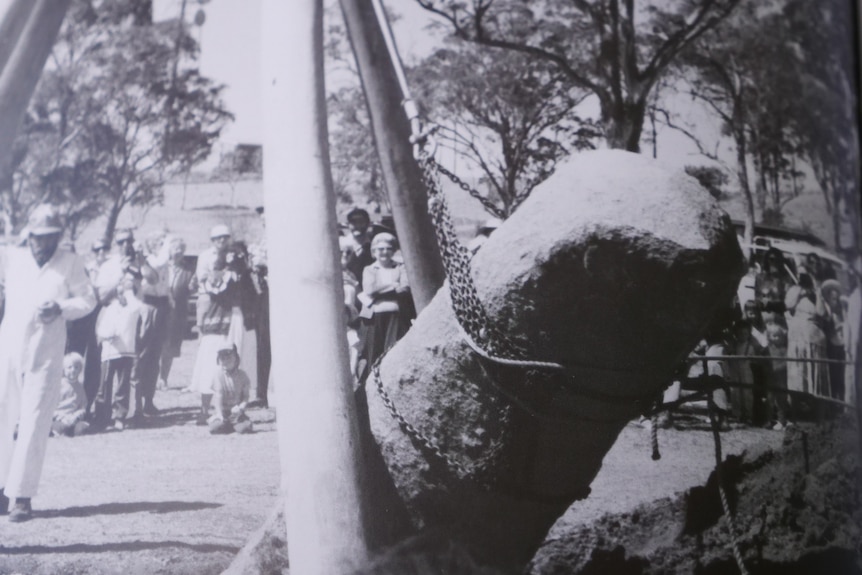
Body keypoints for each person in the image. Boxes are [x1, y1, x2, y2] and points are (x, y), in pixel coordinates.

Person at [0, 204, 96, 522]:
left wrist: (60, 307)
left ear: (58, 236)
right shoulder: (12, 258)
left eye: (50, 236)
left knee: (34, 423)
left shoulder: (69, 262)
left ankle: (22, 496)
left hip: (46, 355)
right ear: (29, 235)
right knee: (2, 419)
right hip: (9, 350)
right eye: (38, 236)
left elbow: (88, 299)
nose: (43, 243)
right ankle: (1, 488)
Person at [93, 267, 154, 431]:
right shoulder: (108, 308)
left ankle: (120, 416)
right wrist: (106, 335)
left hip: (126, 350)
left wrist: (131, 289)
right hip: (109, 352)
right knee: (104, 385)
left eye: (125, 291)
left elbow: (140, 307)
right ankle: (102, 417)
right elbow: (101, 329)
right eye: (119, 291)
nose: (122, 294)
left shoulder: (134, 306)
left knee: (122, 386)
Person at [357, 232, 414, 381]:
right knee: (374, 353)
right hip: (375, 319)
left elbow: (405, 288)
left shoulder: (400, 267)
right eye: (380, 249)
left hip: (396, 317)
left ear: (394, 250)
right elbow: (369, 289)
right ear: (374, 251)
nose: (384, 252)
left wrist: (380, 290)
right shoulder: (369, 269)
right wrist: (392, 286)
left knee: (395, 350)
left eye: (388, 248)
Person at [190, 252, 236, 424]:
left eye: (220, 267)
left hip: (227, 326)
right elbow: (216, 288)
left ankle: (226, 410)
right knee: (209, 370)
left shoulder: (232, 277)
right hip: (214, 326)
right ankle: (204, 411)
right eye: (216, 267)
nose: (217, 271)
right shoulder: (212, 280)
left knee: (226, 369)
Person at [785, 273, 829, 418]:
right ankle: (797, 411)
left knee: (813, 376)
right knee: (797, 375)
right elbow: (789, 304)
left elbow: (821, 312)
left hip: (813, 339)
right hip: (797, 339)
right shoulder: (794, 290)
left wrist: (817, 291)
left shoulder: (818, 293)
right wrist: (800, 290)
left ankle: (815, 412)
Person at [159, 237, 197, 388]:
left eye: (181, 250)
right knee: (157, 345)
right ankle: (149, 378)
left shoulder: (188, 271)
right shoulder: (161, 267)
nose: (179, 252)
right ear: (169, 250)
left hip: (177, 313)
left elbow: (191, 290)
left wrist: (194, 285)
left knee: (170, 346)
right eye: (176, 249)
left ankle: (163, 378)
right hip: (160, 310)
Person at [208, 343, 253, 435]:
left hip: (237, 412)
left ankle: (237, 424)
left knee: (245, 428)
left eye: (229, 357)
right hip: (223, 411)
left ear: (236, 359)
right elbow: (218, 396)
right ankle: (226, 424)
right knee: (214, 428)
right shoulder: (218, 375)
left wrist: (241, 408)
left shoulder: (242, 376)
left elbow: (246, 397)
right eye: (222, 358)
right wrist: (219, 414)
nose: (225, 361)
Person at [52, 353, 90, 437]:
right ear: (64, 370)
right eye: (69, 367)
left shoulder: (80, 387)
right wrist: (61, 416)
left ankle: (71, 430)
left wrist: (76, 416)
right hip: (60, 417)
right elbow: (51, 406)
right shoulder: (59, 385)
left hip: (73, 417)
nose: (73, 370)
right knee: (58, 426)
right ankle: (59, 430)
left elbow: (83, 406)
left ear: (80, 370)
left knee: (82, 428)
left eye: (76, 367)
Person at [820, 279, 846, 403]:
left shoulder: (841, 313)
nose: (834, 302)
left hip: (840, 344)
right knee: (833, 374)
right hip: (831, 344)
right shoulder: (826, 312)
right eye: (832, 299)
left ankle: (840, 400)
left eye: (836, 299)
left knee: (840, 374)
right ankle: (833, 401)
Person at [344, 208, 375, 290]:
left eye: (361, 222)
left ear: (368, 224)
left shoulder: (374, 246)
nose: (357, 226)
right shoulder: (341, 244)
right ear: (348, 225)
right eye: (353, 223)